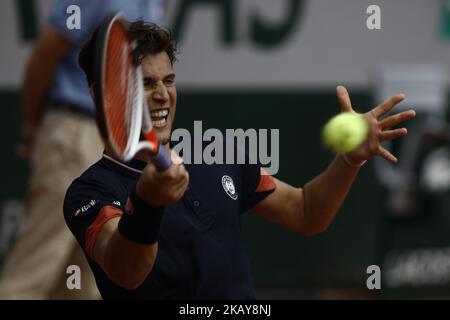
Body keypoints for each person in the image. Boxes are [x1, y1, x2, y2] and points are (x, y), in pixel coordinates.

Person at [63, 20, 416, 299]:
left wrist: (349, 161)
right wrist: (147, 202)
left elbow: (307, 211)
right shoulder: (90, 191)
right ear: (105, 96)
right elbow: (125, 271)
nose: (162, 95)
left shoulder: (218, 154)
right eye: (146, 83)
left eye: (168, 81)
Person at [0, 0, 165, 299]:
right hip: (75, 131)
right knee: (35, 268)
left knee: (89, 282)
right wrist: (31, 129)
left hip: (116, 143)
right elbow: (43, 55)